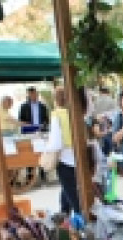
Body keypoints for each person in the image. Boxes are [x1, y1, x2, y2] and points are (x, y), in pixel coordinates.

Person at [46, 86, 89, 214]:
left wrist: (47, 148)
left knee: (71, 192)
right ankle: (64, 213)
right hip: (79, 159)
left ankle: (78, 218)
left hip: (64, 159)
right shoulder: (78, 113)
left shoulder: (57, 115)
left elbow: (55, 143)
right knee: (69, 190)